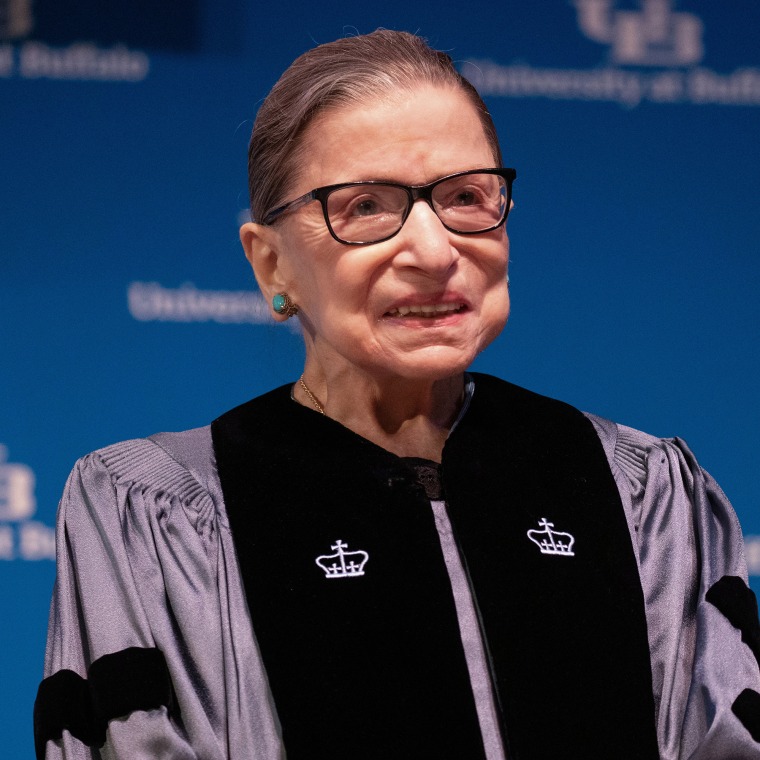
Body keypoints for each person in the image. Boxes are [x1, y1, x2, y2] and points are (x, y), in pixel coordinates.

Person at [34, 29, 760, 760]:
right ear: (270, 265)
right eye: (366, 207)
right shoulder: (163, 514)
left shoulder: (640, 496)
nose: (435, 250)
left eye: (467, 197)